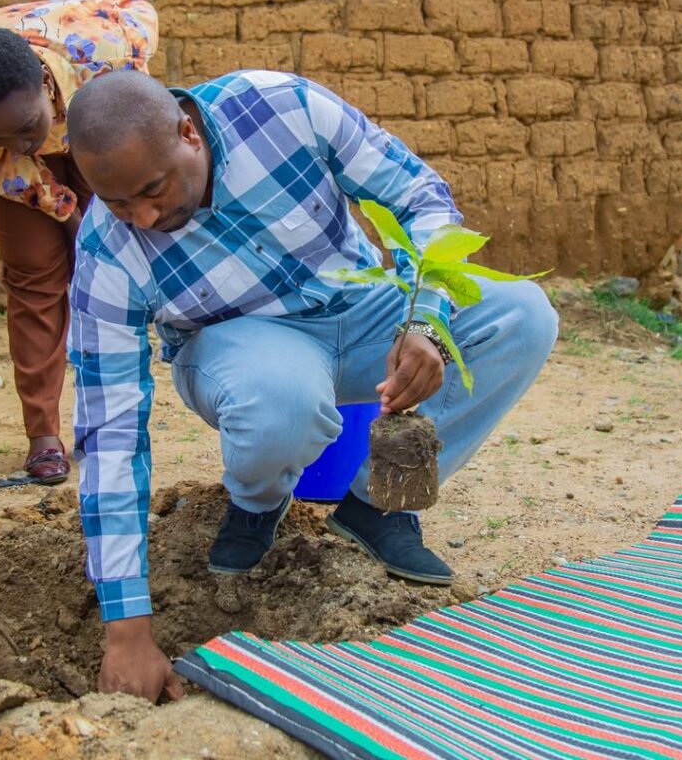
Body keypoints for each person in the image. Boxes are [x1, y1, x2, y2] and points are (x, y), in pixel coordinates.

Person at [64, 67, 559, 702]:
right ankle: (257, 504)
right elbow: (111, 434)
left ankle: (377, 505)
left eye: (153, 189)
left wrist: (426, 319)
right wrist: (126, 630)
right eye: (118, 203)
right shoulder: (108, 252)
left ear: (188, 133)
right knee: (281, 403)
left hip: (361, 305)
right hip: (241, 347)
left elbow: (422, 197)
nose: (145, 215)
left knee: (522, 316)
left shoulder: (282, 110)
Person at [0, 0, 158, 482]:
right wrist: (69, 216)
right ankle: (43, 437)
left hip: (93, 122)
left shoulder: (109, 57)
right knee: (34, 274)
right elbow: (7, 162)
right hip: (14, 174)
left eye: (25, 128)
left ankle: (113, 424)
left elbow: (144, 18)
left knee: (108, 272)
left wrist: (95, 228)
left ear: (44, 82)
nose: (21, 144)